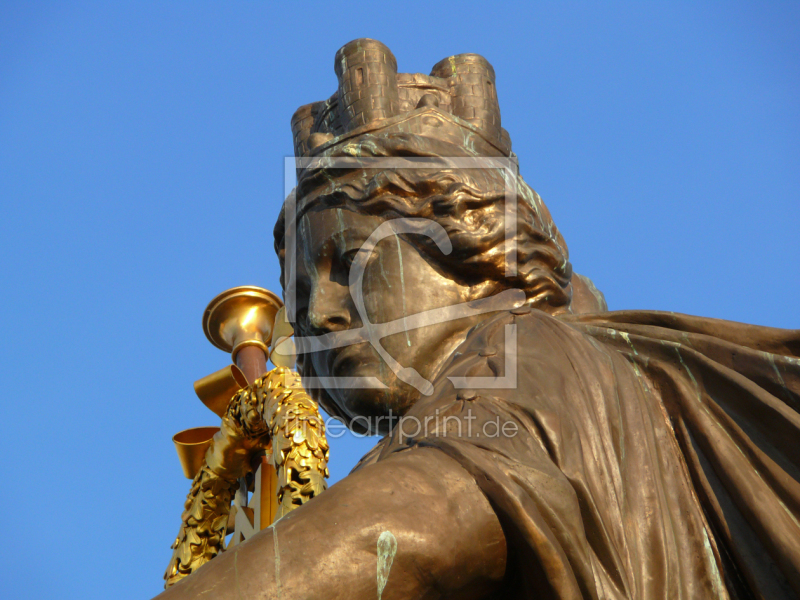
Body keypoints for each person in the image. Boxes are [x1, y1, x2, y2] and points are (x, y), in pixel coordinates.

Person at [156, 40, 800, 600]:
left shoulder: (522, 353)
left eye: (352, 264)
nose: (319, 316)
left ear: (476, 249)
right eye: (300, 298)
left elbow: (420, 524)